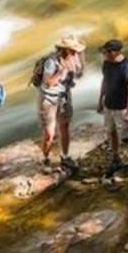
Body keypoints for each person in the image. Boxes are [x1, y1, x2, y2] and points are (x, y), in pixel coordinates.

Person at [97, 39, 128, 178]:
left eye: (105, 52)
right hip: (109, 105)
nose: (103, 54)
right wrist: (100, 100)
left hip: (122, 108)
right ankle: (115, 158)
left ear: (114, 53)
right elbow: (104, 81)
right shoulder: (107, 63)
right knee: (111, 132)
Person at [38, 35, 86, 172]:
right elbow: (48, 82)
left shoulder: (74, 57)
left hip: (64, 97)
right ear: (66, 49)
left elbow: (79, 75)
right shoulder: (52, 62)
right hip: (49, 99)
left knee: (65, 128)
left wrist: (80, 63)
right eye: (73, 49)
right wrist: (61, 72)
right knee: (49, 133)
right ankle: (45, 158)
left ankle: (65, 157)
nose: (76, 51)